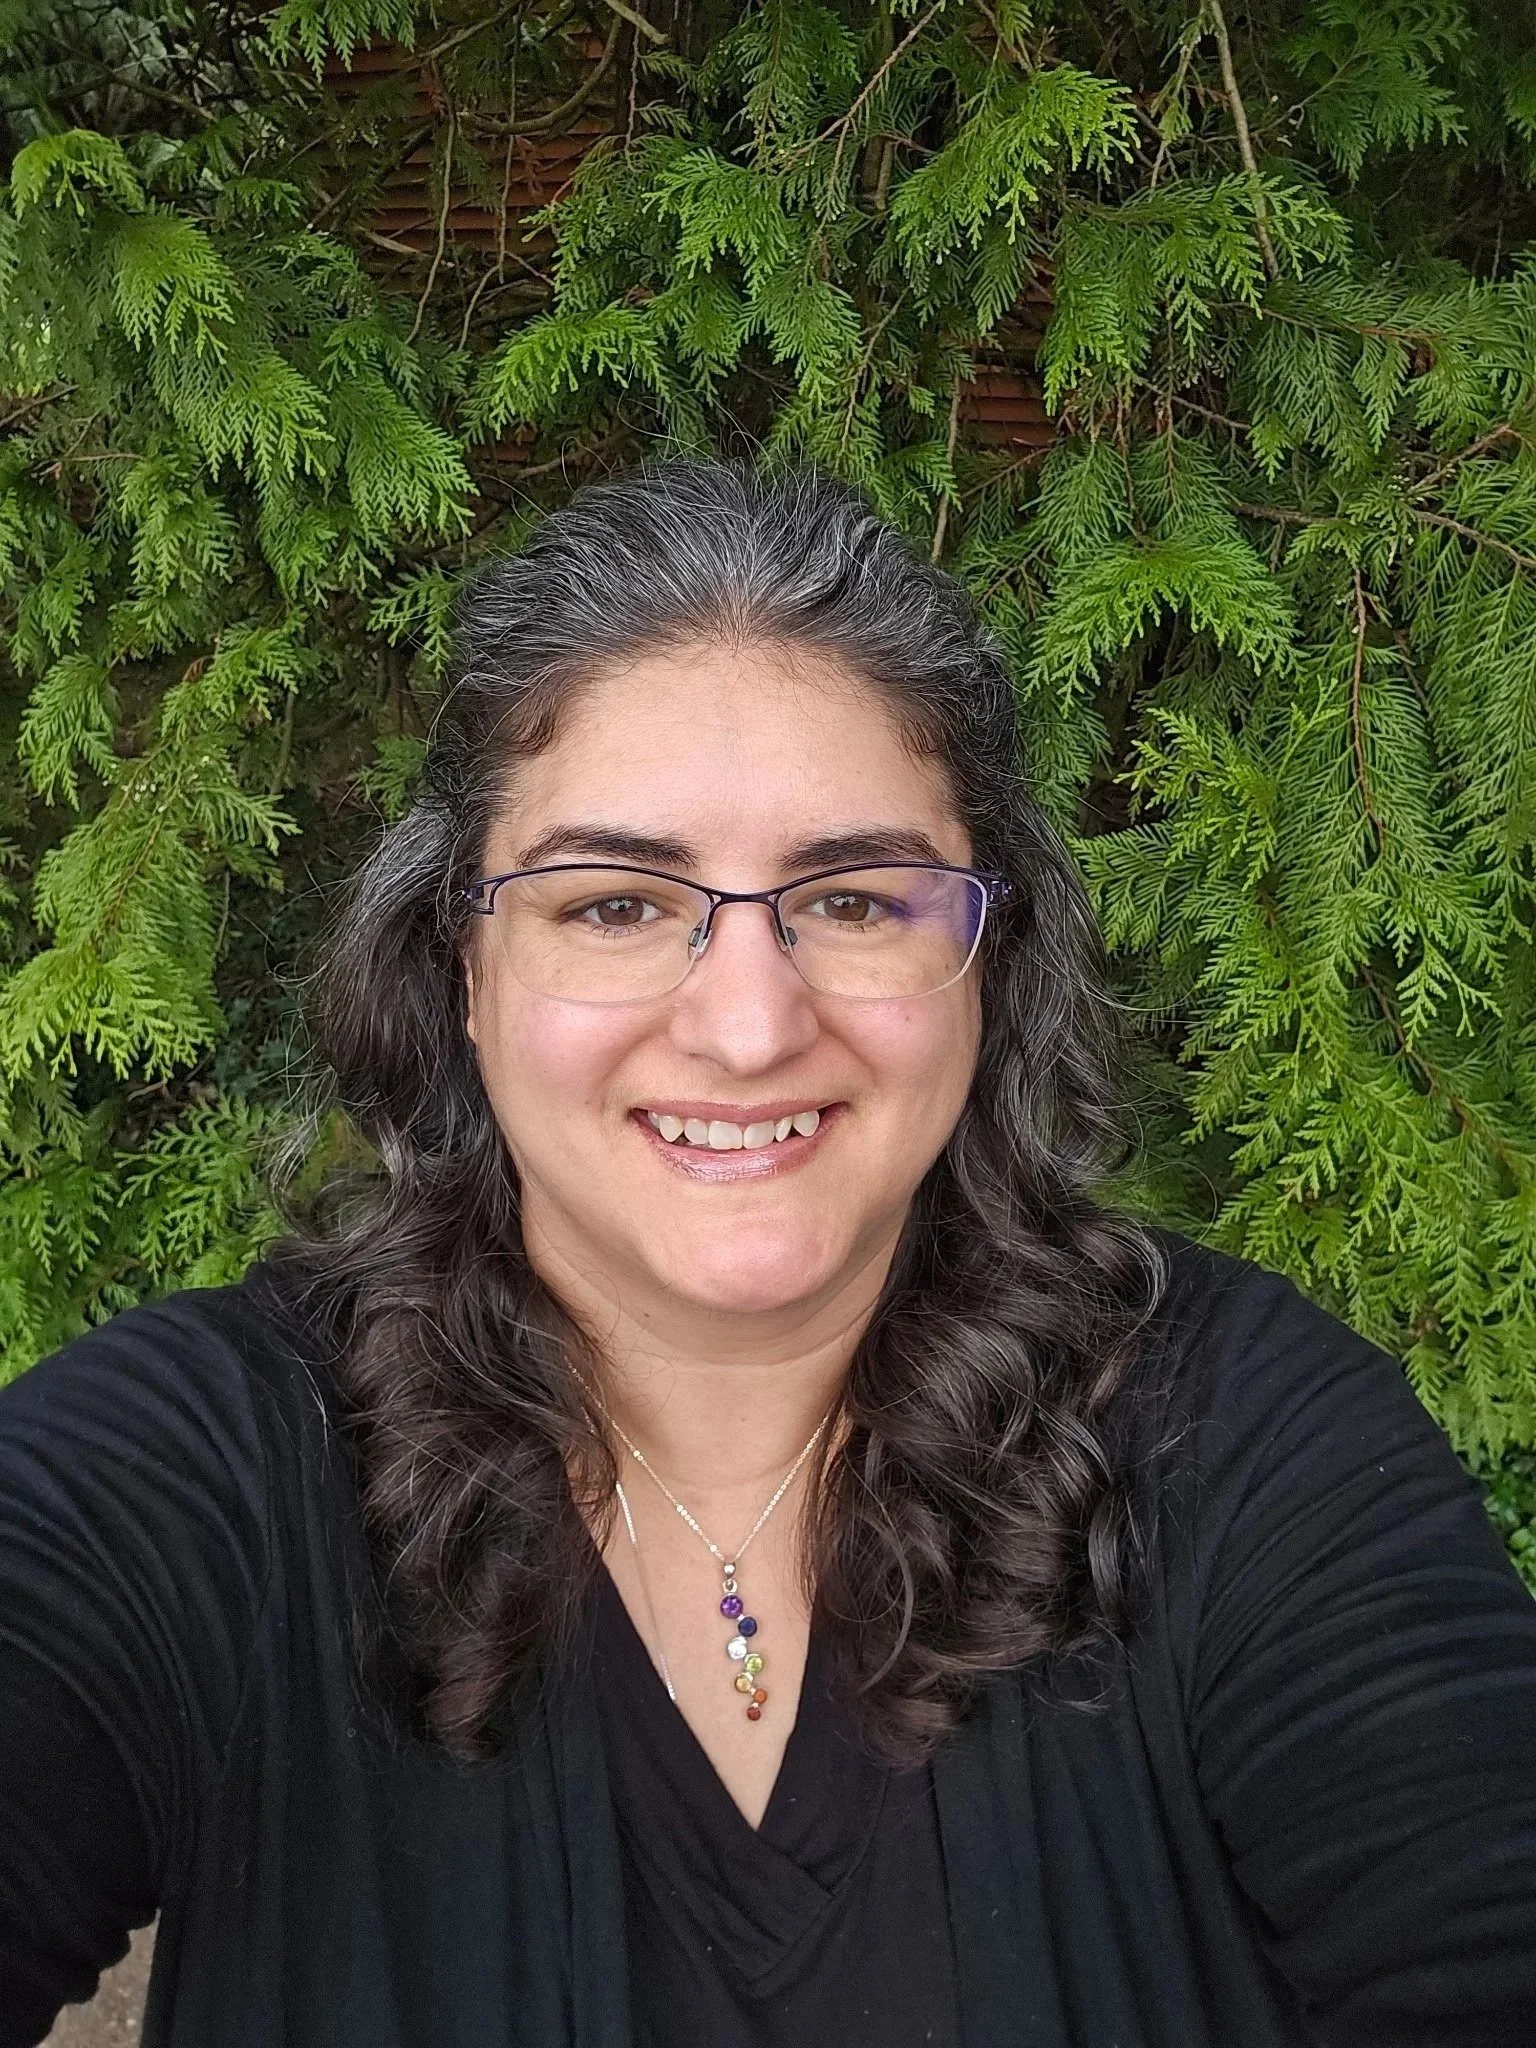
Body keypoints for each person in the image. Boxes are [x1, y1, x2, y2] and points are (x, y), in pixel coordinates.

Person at [2, 458, 1534, 2048]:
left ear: (986, 968)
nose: (747, 1025)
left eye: (858, 901)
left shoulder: (1246, 1442)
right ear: (462, 971)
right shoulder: (214, 1462)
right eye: (613, 904)